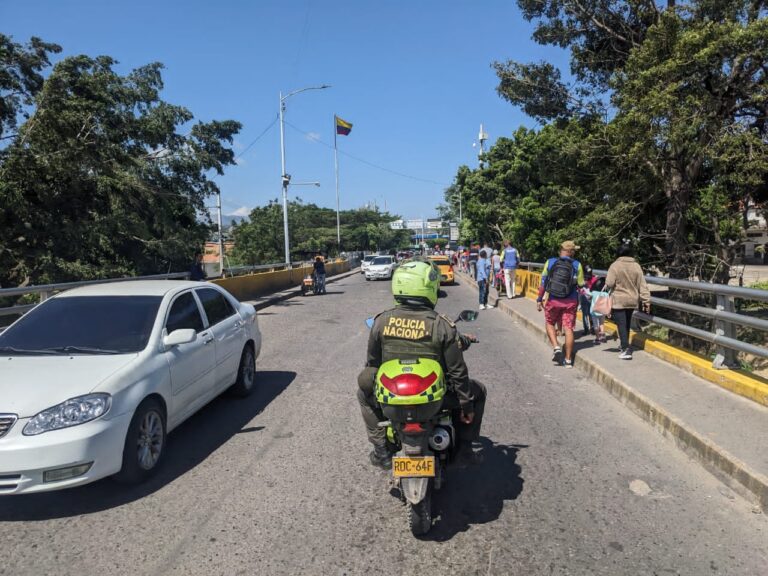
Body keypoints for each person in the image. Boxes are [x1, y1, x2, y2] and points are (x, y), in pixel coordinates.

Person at [357, 259, 487, 468]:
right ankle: (465, 449)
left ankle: (381, 449)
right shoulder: (442, 325)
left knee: (364, 392)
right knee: (478, 390)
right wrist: (466, 405)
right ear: (429, 288)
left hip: (393, 403)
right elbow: (457, 371)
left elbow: (373, 363)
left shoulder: (381, 321)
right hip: (434, 401)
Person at [536, 241, 585, 368]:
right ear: (572, 252)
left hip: (553, 300)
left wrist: (539, 299)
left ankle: (557, 347)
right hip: (570, 302)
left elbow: (543, 283)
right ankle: (568, 360)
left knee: (550, 323)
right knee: (568, 328)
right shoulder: (577, 265)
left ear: (561, 250)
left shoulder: (550, 262)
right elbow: (580, 284)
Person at [605, 244, 651, 360]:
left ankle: (626, 349)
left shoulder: (615, 265)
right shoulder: (636, 266)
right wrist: (646, 300)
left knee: (621, 324)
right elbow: (642, 285)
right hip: (632, 300)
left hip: (619, 300)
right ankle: (624, 345)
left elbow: (609, 283)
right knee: (626, 323)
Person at [580, 265, 595, 336]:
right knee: (591, 313)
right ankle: (592, 329)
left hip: (583, 296)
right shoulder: (594, 278)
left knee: (585, 314)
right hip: (592, 297)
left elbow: (579, 286)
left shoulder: (581, 278)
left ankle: (586, 329)